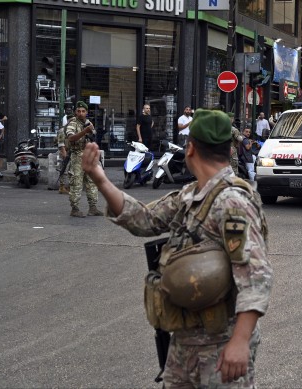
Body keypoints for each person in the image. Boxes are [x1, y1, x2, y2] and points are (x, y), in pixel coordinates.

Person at [80, 109, 273, 386]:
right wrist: (100, 179)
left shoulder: (232, 201)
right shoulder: (191, 194)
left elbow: (256, 277)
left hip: (220, 345)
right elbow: (145, 220)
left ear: (191, 148)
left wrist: (240, 342)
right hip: (184, 342)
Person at [65, 101, 103, 218]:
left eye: (83, 111)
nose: (81, 113)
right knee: (76, 183)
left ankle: (93, 207)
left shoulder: (88, 123)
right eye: (79, 111)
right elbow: (71, 138)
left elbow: (94, 136)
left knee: (92, 182)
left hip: (89, 156)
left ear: (86, 112)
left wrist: (90, 132)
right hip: (77, 156)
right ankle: (75, 209)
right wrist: (85, 131)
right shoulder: (72, 123)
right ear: (75, 112)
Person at [56, 122, 70, 194]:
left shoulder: (73, 129)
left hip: (71, 151)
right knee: (64, 169)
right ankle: (62, 187)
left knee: (71, 170)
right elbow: (61, 143)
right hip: (64, 151)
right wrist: (64, 152)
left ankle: (69, 187)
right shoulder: (63, 130)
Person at [228, 112, 244, 177]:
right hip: (232, 150)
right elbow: (240, 139)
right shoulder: (233, 129)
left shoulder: (220, 129)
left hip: (221, 151)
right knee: (234, 168)